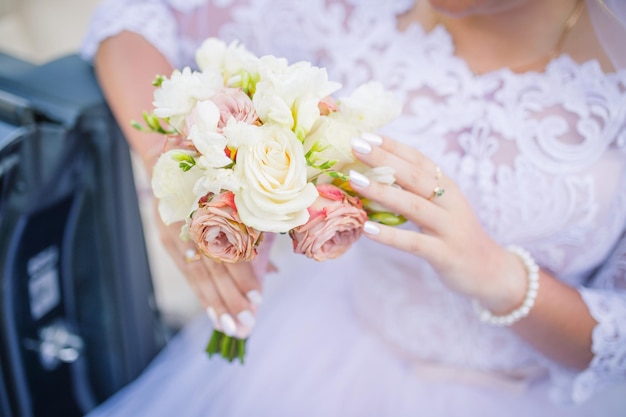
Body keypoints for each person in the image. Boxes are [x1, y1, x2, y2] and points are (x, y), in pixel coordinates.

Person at [81, 0, 626, 415]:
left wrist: (501, 278)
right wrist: (172, 164)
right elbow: (135, 15)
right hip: (321, 355)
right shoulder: (358, 13)